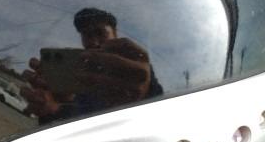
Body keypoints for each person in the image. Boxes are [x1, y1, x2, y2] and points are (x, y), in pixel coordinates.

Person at [22, 8, 162, 125]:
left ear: (115, 34)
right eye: (87, 35)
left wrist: (147, 92)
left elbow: (159, 116)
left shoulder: (135, 71)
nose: (94, 42)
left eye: (100, 33)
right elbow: (77, 122)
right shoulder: (78, 74)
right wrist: (51, 109)